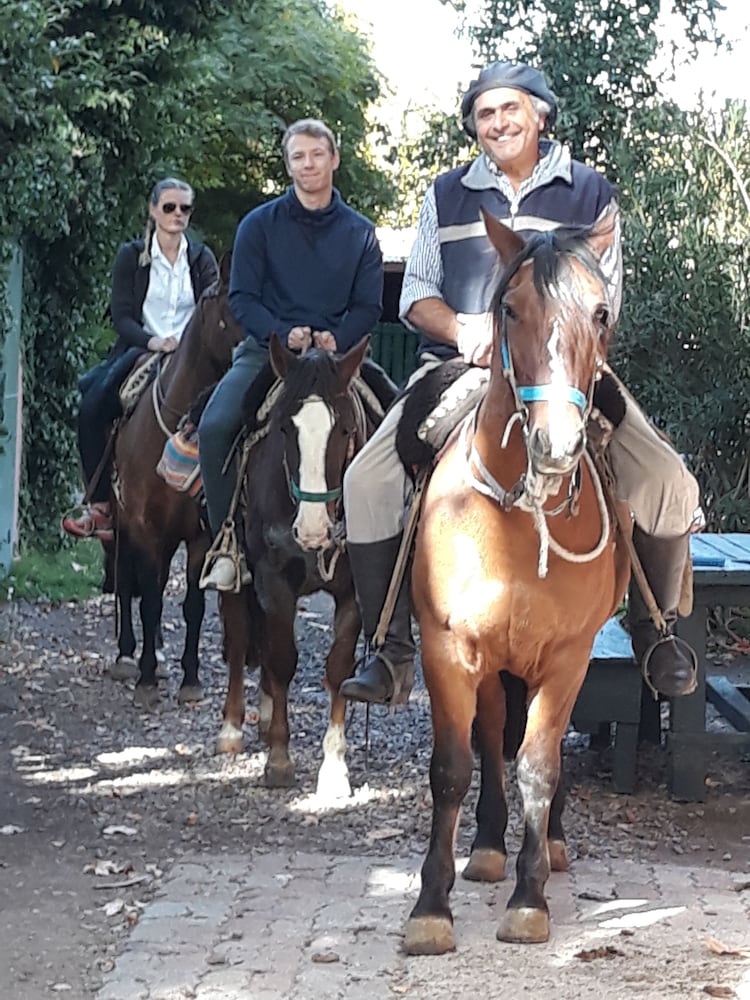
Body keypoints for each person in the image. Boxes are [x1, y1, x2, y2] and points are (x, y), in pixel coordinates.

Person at [340, 60, 701, 707]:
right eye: (484, 114)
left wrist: (558, 348)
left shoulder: (591, 196)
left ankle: (656, 631)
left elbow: (606, 304)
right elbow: (417, 295)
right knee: (366, 479)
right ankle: (390, 648)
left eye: (510, 109)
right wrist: (466, 328)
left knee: (669, 481)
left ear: (540, 114)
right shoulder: (446, 193)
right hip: (461, 363)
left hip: (567, 374)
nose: (498, 122)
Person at [198, 118, 384, 591]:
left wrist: (336, 338)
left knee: (395, 420)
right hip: (270, 353)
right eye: (298, 157)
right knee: (216, 426)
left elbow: (369, 305)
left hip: (337, 360)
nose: (308, 164)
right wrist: (283, 333)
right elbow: (241, 297)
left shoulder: (361, 233)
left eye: (316, 154)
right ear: (288, 165)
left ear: (334, 159)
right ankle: (229, 544)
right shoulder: (258, 226)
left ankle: (393, 549)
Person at [63, 177, 218, 541]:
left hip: (194, 355)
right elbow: (122, 316)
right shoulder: (131, 256)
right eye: (169, 207)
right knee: (92, 406)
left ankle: (235, 515)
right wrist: (154, 341)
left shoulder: (200, 258)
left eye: (184, 208)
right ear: (153, 211)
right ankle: (100, 506)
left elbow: (211, 307)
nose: (177, 214)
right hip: (141, 348)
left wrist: (188, 343)